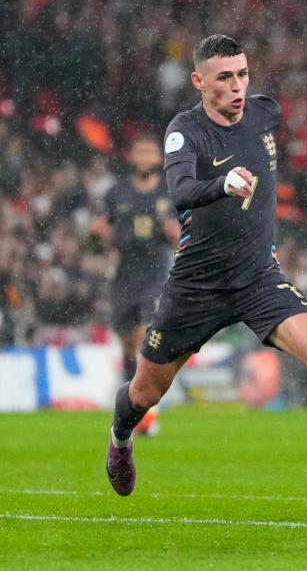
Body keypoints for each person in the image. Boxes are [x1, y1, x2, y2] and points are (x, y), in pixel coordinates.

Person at [105, 35, 307, 509]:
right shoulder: (184, 130)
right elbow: (181, 190)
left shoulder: (265, 112)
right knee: (145, 391)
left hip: (257, 277)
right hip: (196, 285)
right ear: (199, 81)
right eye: (224, 77)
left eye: (242, 74)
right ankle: (120, 438)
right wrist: (221, 184)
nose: (237, 86)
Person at [90, 134, 178, 436]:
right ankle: (132, 406)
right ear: (132, 157)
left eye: (150, 152)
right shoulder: (117, 193)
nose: (144, 157)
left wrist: (174, 233)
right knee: (128, 344)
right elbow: (104, 232)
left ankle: (148, 415)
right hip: (124, 276)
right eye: (139, 151)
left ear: (158, 160)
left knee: (144, 338)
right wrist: (99, 234)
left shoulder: (170, 194)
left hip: (155, 274)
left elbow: (182, 238)